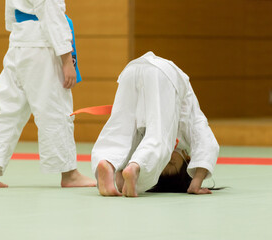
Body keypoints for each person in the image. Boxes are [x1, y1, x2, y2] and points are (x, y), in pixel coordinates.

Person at [0, 0, 96, 188]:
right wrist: (66, 59)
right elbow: (52, 14)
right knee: (55, 109)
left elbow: (10, 15)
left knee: (8, 111)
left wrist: (20, 35)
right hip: (42, 45)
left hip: (18, 43)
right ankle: (70, 174)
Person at [92, 52, 219, 197]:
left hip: (131, 71)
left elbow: (128, 147)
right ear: (187, 159)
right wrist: (196, 183)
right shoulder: (190, 128)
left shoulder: (142, 144)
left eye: (162, 165)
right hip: (164, 75)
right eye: (172, 163)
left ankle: (107, 164)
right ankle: (135, 167)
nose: (168, 158)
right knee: (159, 137)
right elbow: (208, 144)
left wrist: (120, 180)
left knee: (119, 130)